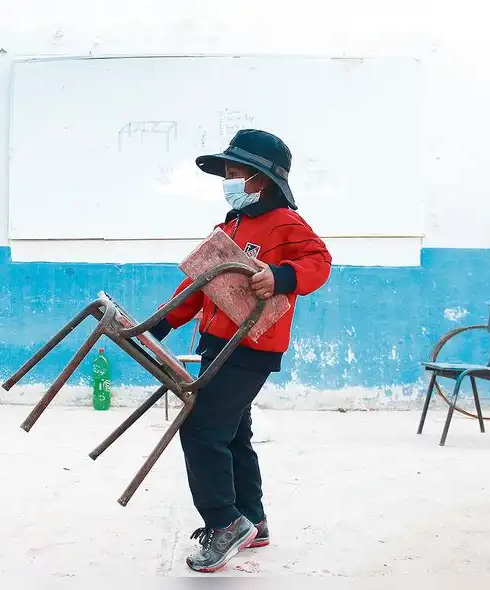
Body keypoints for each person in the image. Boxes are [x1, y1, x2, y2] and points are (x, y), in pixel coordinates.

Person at [149, 129, 333, 573]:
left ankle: (225, 523)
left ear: (260, 179)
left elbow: (319, 261)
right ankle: (253, 518)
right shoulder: (228, 227)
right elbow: (198, 285)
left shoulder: (286, 224)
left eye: (234, 174)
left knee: (201, 430)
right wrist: (161, 323)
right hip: (216, 343)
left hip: (251, 347)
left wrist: (282, 277)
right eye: (226, 175)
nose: (227, 183)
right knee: (232, 433)